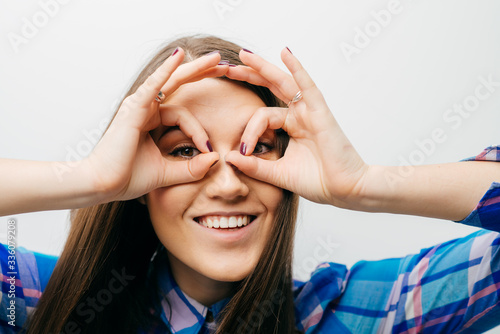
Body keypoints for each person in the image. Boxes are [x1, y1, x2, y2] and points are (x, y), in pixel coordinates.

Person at [0, 35, 499, 334]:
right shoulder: (42, 298)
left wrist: (364, 184)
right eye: (185, 149)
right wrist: (90, 179)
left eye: (257, 145)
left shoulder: (373, 311)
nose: (227, 185)